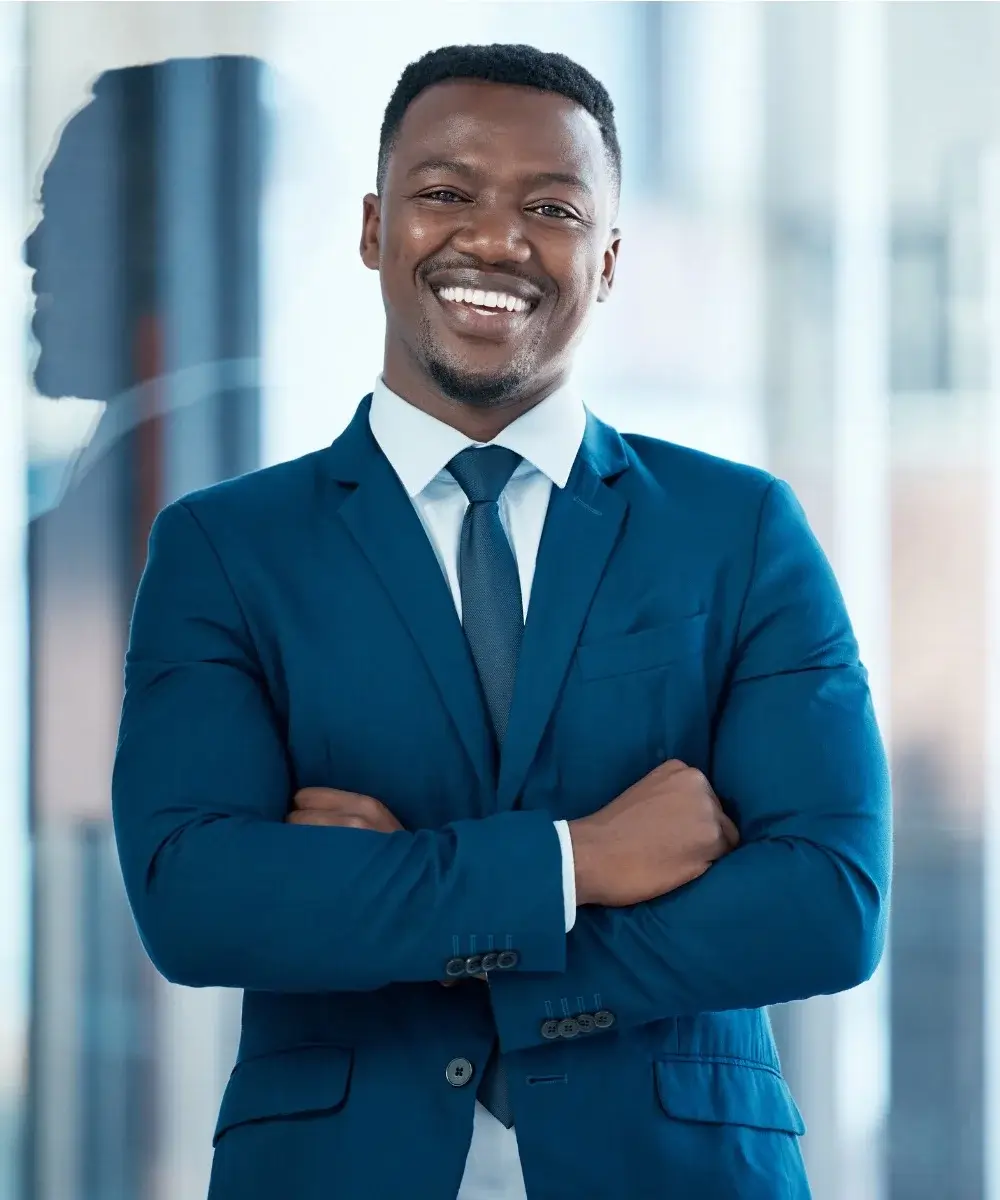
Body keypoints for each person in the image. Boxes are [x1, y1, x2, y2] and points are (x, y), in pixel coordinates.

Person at [112, 43, 891, 1200]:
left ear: (607, 260)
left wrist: (411, 916)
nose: (495, 240)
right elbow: (196, 900)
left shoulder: (738, 529)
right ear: (374, 226)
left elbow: (828, 905)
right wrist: (584, 861)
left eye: (552, 208)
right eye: (446, 192)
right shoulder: (226, 548)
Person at [24, 56, 268, 1198]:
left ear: (157, 246)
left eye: (62, 215)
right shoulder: (123, 482)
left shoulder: (193, 498)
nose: (30, 255)